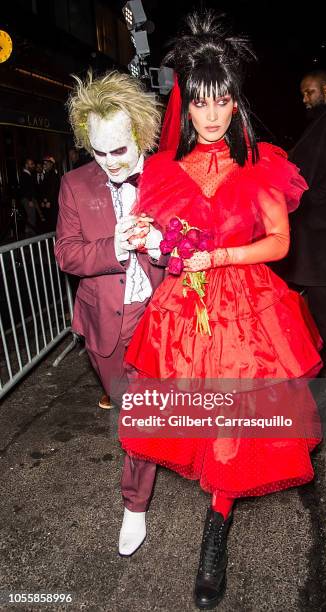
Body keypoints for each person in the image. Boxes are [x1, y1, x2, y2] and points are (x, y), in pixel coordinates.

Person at [120, 12, 323, 609]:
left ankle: (217, 524)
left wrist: (218, 256)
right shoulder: (162, 172)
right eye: (201, 103)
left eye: (222, 102)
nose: (211, 115)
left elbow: (280, 243)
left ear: (236, 104)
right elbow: (160, 239)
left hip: (244, 311)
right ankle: (208, 505)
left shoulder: (261, 164)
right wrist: (143, 238)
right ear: (187, 106)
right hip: (186, 311)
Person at [54, 71, 167, 557]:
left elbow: (194, 244)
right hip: (103, 322)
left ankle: (134, 504)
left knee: (143, 416)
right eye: (98, 151)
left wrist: (162, 245)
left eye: (119, 150)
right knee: (132, 411)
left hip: (160, 316)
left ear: (140, 134)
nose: (108, 162)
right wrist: (112, 246)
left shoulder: (169, 176)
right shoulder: (75, 184)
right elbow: (66, 254)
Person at [273, 70, 326, 377]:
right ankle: (318, 362)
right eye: (302, 93)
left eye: (309, 92)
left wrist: (317, 193)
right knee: (315, 299)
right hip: (316, 228)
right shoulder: (323, 119)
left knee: (324, 300)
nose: (304, 99)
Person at [19, 158, 44, 234]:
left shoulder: (28, 174)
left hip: (29, 198)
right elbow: (26, 188)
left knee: (32, 216)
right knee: (32, 216)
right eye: (31, 164)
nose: (33, 165)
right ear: (26, 165)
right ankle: (31, 234)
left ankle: (29, 232)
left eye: (33, 164)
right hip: (27, 199)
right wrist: (30, 200)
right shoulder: (25, 175)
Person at [41, 156, 61, 231]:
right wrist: (43, 200)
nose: (44, 165)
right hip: (47, 202)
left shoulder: (53, 174)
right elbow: (44, 189)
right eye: (44, 163)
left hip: (53, 202)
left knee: (53, 221)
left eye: (46, 163)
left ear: (51, 165)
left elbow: (53, 189)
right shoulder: (46, 174)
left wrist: (49, 201)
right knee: (49, 220)